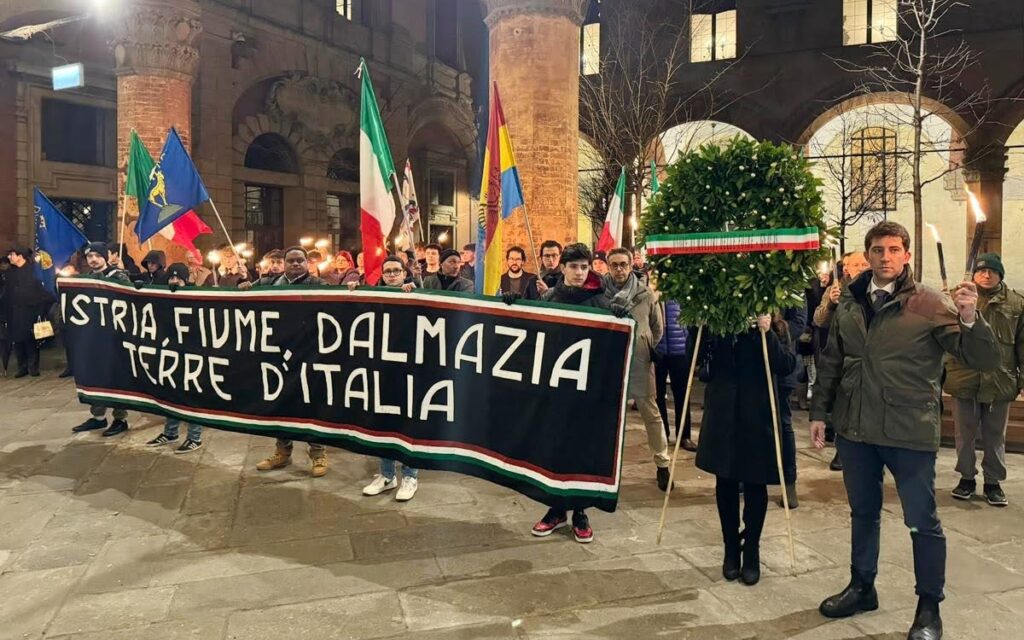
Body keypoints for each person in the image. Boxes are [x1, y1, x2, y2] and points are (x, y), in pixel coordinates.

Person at [810, 221, 1000, 640]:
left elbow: (980, 359)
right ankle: (862, 587)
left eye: (895, 249)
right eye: (878, 250)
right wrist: (819, 412)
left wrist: (971, 318)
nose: (886, 257)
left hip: (908, 430)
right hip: (857, 429)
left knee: (922, 521)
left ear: (907, 255)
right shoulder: (851, 302)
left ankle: (929, 607)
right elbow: (832, 361)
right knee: (863, 513)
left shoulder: (930, 303)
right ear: (869, 253)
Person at [697, 313, 797, 586]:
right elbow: (697, 361)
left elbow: (788, 365)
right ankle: (731, 546)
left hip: (758, 414)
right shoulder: (719, 322)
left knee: (755, 484)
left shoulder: (777, 326)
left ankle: (751, 547)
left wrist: (768, 334)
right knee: (725, 482)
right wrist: (702, 323)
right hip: (724, 411)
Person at [529, 243, 607, 543]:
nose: (578, 272)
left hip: (587, 390)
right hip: (556, 387)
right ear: (562, 268)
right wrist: (515, 307)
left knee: (581, 451)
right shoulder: (550, 297)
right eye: (573, 266)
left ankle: (580, 512)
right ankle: (557, 508)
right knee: (554, 448)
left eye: (584, 267)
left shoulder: (599, 299)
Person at [243, 247, 331, 477]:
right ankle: (282, 452)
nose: (295, 264)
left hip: (308, 354)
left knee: (311, 405)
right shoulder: (267, 284)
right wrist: (242, 289)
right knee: (281, 404)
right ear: (283, 263)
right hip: (278, 354)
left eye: (299, 260)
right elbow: (244, 300)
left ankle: (318, 453)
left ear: (307, 263)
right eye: (290, 261)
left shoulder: (320, 285)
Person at [945, 253, 1024, 507]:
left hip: (999, 379)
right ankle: (967, 478)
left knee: (994, 435)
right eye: (982, 271)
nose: (986, 275)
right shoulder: (958, 298)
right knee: (964, 434)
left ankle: (993, 482)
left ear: (1001, 274)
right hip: (964, 377)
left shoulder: (1016, 304)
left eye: (992, 271)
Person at [602, 248, 671, 490]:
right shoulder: (600, 293)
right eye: (614, 265)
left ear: (631, 266)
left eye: (623, 264)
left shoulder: (646, 294)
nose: (619, 269)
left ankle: (662, 463)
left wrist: (643, 343)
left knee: (651, 414)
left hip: (639, 361)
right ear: (608, 266)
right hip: (609, 361)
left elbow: (657, 328)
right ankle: (604, 467)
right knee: (607, 416)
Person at [353, 255, 421, 501]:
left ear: (405, 273)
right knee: (382, 422)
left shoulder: (416, 294)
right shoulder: (374, 296)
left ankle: (410, 476)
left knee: (407, 423)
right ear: (382, 275)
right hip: (381, 369)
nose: (392, 275)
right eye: (388, 272)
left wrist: (416, 294)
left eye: (396, 271)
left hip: (409, 371)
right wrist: (353, 292)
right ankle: (387, 475)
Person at [813, 250, 871, 472]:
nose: (862, 268)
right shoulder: (835, 289)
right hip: (838, 352)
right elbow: (819, 320)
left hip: (863, 356)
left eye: (864, 264)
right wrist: (831, 304)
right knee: (842, 401)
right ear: (846, 268)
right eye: (856, 264)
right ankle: (841, 446)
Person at [71, 243, 133, 437]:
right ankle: (98, 417)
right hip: (94, 337)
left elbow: (130, 300)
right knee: (95, 375)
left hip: (115, 338)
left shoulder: (118, 277)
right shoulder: (86, 280)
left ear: (105, 256)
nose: (94, 260)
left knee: (116, 378)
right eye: (90, 257)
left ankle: (120, 419)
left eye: (98, 255)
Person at [145, 263, 206, 453]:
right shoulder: (164, 297)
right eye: (171, 278)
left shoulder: (196, 297)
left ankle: (194, 437)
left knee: (192, 395)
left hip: (193, 353)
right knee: (171, 392)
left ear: (185, 280)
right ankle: (170, 432)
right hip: (171, 352)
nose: (174, 281)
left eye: (178, 278)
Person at [1, 246, 53, 378]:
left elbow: (42, 293)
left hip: (30, 312)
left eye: (12, 254)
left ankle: (33, 366)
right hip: (13, 312)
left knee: (31, 341)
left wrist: (40, 310)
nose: (9, 257)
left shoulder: (33, 271)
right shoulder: (10, 273)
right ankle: (22, 366)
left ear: (20, 256)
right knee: (17, 340)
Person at [776, 305, 807, 508]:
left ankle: (788, 481)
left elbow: (799, 323)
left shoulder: (791, 282)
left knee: (783, 426)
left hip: (782, 362)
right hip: (751, 366)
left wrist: (776, 326)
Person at [654, 298, 695, 450]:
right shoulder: (651, 285)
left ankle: (684, 436)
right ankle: (662, 433)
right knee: (657, 394)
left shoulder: (681, 288)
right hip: (658, 349)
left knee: (683, 394)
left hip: (680, 349)